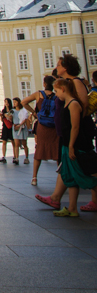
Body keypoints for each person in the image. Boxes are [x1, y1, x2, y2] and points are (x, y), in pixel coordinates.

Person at [47, 76, 97, 217]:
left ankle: (73, 208)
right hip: (66, 144)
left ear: (63, 89)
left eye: (57, 91)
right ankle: (72, 208)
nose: (56, 94)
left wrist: (71, 146)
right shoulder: (67, 103)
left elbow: (75, 127)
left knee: (82, 175)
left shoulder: (74, 104)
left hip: (74, 145)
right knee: (70, 177)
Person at [23, 77, 58, 186]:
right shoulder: (57, 96)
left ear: (44, 84)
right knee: (57, 150)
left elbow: (24, 102)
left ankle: (34, 178)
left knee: (39, 150)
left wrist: (34, 113)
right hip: (54, 126)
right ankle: (62, 176)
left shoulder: (39, 94)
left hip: (42, 126)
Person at [12, 97, 30, 165]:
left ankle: (26, 157)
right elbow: (10, 117)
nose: (14, 103)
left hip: (22, 127)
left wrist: (20, 125)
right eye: (13, 102)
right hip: (16, 127)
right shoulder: (13, 111)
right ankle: (16, 158)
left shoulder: (23, 110)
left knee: (24, 144)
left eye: (15, 102)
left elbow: (25, 118)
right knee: (16, 144)